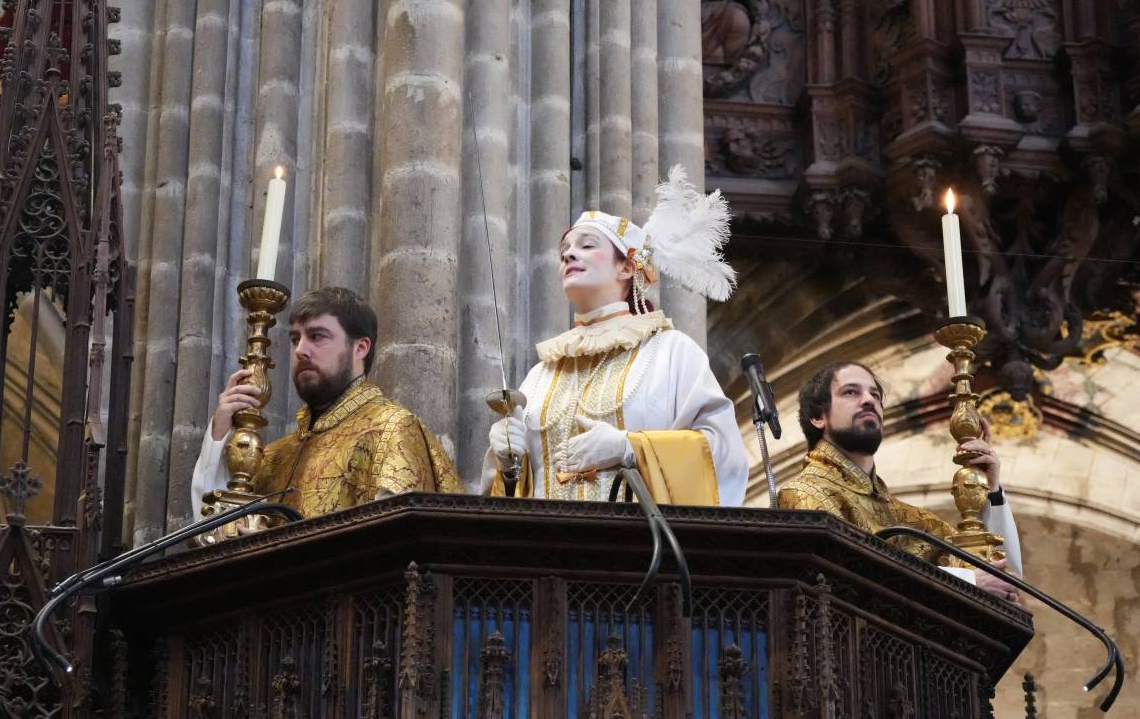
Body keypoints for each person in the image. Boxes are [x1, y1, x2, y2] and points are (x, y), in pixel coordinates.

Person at [479, 165, 749, 505]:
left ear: (627, 267)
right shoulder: (540, 375)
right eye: (564, 251)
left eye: (587, 245)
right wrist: (505, 464)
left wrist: (629, 447)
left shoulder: (672, 352)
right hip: (547, 549)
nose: (568, 254)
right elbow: (514, 495)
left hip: (638, 549)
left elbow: (723, 456)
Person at [192, 287, 462, 519]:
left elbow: (397, 548)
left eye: (317, 336)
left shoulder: (392, 430)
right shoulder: (275, 456)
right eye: (296, 339)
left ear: (360, 348)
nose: (301, 350)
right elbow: (213, 533)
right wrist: (220, 433)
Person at [777, 362, 1023, 601]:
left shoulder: (910, 519)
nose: (868, 400)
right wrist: (966, 584)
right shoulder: (803, 494)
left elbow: (1004, 579)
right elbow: (844, 580)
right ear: (818, 417)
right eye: (851, 392)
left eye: (875, 395)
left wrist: (990, 489)